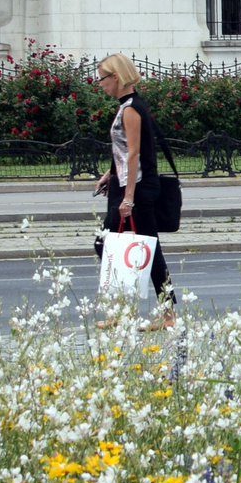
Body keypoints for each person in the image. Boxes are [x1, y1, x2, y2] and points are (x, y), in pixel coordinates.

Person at [93, 53, 177, 331]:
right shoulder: (129, 105)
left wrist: (128, 197)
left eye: (102, 78)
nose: (100, 84)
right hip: (127, 185)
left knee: (148, 252)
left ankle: (166, 316)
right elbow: (123, 151)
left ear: (116, 77)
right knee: (109, 246)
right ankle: (123, 310)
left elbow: (134, 154)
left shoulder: (131, 108)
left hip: (137, 191)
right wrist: (109, 174)